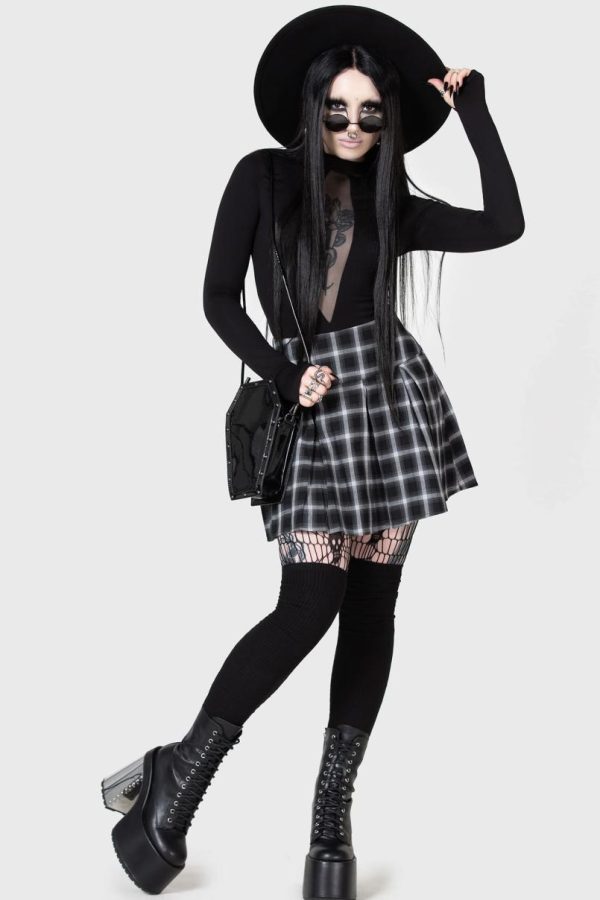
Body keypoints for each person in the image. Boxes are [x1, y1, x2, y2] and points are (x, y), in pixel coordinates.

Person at [100, 6, 525, 898]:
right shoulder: (260, 177)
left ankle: (331, 821)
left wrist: (476, 111)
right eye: (339, 109)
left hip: (391, 404)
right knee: (308, 604)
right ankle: (181, 774)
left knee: (372, 608)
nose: (354, 126)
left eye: (370, 113)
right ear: (312, 106)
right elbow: (218, 298)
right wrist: (285, 373)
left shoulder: (393, 202)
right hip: (313, 403)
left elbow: (503, 223)